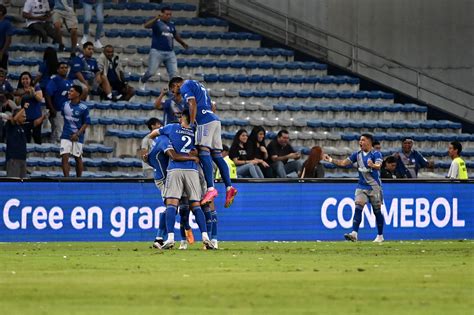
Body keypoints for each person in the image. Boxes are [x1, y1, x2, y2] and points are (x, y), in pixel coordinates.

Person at [148, 109, 215, 250]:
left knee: (171, 204)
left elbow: (152, 135)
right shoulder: (195, 132)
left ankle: (170, 238)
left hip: (175, 169)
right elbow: (200, 150)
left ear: (181, 119)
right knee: (196, 205)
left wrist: (162, 137)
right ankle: (206, 238)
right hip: (192, 170)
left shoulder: (172, 127)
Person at [169, 76, 237, 208]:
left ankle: (211, 189)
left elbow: (192, 103)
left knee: (204, 152)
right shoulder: (199, 85)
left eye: (173, 90)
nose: (174, 93)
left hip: (204, 122)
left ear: (176, 84)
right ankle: (229, 187)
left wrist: (193, 123)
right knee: (217, 155)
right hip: (215, 120)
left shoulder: (185, 86)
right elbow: (213, 105)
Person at [324, 133, 385, 243]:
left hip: (374, 187)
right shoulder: (357, 155)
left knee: (377, 212)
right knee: (358, 207)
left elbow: (378, 166)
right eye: (360, 140)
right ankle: (354, 233)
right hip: (361, 186)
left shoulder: (376, 154)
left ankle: (380, 235)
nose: (360, 142)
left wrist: (373, 165)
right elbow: (343, 163)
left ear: (369, 142)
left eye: (363, 140)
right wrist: (330, 160)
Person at [141, 6, 189, 85]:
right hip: (157, 51)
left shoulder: (171, 24)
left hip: (170, 53)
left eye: (170, 14)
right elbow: (146, 25)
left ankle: (173, 93)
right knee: (151, 72)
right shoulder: (157, 23)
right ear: (162, 14)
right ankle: (142, 80)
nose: (169, 16)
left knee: (174, 75)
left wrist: (182, 43)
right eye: (167, 14)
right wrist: (156, 18)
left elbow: (175, 35)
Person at [60, 85, 90, 177]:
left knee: (77, 157)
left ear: (78, 94)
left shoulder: (84, 108)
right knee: (64, 156)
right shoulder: (65, 105)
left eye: (72, 91)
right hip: (66, 135)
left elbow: (86, 123)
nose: (69, 92)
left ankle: (79, 180)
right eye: (69, 91)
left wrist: (77, 134)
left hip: (78, 136)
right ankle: (66, 180)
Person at [15, 71, 47, 144]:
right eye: (23, 79)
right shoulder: (19, 90)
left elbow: (40, 99)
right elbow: (17, 103)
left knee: (37, 138)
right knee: (26, 140)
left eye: (27, 79)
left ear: (30, 80)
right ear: (20, 80)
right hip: (25, 119)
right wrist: (22, 94)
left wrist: (33, 93)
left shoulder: (36, 87)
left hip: (36, 117)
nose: (25, 81)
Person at [45, 62, 73, 143]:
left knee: (60, 133)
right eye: (62, 67)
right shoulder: (54, 80)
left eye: (66, 67)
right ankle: (57, 152)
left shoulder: (69, 81)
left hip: (68, 111)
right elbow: (47, 94)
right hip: (58, 111)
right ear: (57, 70)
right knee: (59, 133)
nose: (64, 69)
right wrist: (52, 109)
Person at [5, 106, 28, 178]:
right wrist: (23, 108)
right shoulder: (10, 125)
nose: (25, 118)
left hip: (23, 158)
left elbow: (35, 123)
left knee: (22, 183)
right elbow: (14, 119)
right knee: (13, 181)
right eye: (22, 116)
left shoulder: (22, 127)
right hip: (13, 159)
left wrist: (44, 116)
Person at [0, 4, 13, 70]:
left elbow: (8, 40)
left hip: (2, 52)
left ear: (1, 12)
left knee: (2, 72)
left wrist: (2, 52)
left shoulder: (7, 24)